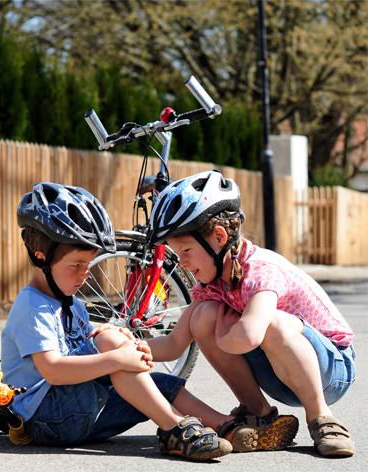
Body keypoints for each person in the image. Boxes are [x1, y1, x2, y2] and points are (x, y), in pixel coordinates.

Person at [1, 182, 273, 461]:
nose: (85, 274)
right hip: (47, 418)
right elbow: (54, 371)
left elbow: (81, 346)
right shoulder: (32, 306)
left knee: (161, 383)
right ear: (40, 257)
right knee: (114, 345)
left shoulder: (73, 304)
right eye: (76, 266)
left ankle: (227, 427)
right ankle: (174, 427)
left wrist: (116, 340)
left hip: (79, 414)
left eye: (88, 264)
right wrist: (118, 357)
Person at [142, 170, 355, 457]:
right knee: (203, 315)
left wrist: (221, 335)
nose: (182, 262)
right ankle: (260, 415)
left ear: (219, 237)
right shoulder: (212, 282)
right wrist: (122, 347)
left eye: (187, 250)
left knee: (272, 324)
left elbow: (250, 335)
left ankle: (322, 419)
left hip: (331, 368)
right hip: (281, 370)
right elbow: (172, 345)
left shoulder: (261, 270)